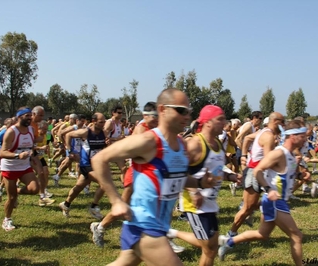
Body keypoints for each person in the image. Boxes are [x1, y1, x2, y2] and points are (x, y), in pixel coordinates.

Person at [91, 88, 216, 266]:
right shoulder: (149, 141)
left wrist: (199, 182)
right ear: (163, 110)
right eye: (181, 111)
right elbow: (99, 159)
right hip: (143, 226)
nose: (187, 116)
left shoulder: (181, 144)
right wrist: (116, 201)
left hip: (158, 226)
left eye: (189, 111)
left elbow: (176, 178)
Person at [218, 120, 307, 266]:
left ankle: (228, 242)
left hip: (279, 201)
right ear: (293, 136)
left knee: (262, 234)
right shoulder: (279, 153)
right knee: (296, 235)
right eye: (302, 136)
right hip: (274, 202)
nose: (305, 140)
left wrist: (300, 176)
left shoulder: (291, 155)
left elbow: (286, 173)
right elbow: (258, 170)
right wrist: (269, 189)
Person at [168, 105, 240, 266]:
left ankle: (172, 233)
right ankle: (173, 233)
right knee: (209, 249)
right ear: (207, 122)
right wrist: (194, 191)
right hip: (195, 206)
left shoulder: (217, 144)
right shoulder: (195, 144)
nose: (224, 122)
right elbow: (178, 171)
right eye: (220, 119)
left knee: (211, 249)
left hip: (210, 204)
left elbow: (218, 169)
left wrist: (231, 176)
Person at [90, 101, 158, 247]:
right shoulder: (141, 129)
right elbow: (137, 153)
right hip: (136, 174)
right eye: (154, 116)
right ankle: (100, 227)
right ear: (145, 116)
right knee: (122, 207)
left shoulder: (155, 129)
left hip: (149, 174)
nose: (157, 119)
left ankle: (161, 238)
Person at [58, 113, 107, 219]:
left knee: (78, 187)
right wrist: (69, 150)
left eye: (104, 122)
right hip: (86, 164)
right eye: (101, 122)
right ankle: (94, 207)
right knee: (105, 182)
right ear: (94, 121)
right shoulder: (86, 132)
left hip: (96, 165)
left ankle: (66, 204)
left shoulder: (103, 133)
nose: (103, 124)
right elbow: (68, 135)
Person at [0, 107, 40, 231]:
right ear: (19, 117)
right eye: (27, 116)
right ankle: (7, 220)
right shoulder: (12, 131)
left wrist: (32, 156)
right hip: (10, 167)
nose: (30, 118)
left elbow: (29, 145)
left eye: (30, 116)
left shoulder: (31, 130)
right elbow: (2, 152)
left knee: (34, 189)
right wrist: (17, 155)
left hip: (24, 166)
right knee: (11, 199)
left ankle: (15, 190)